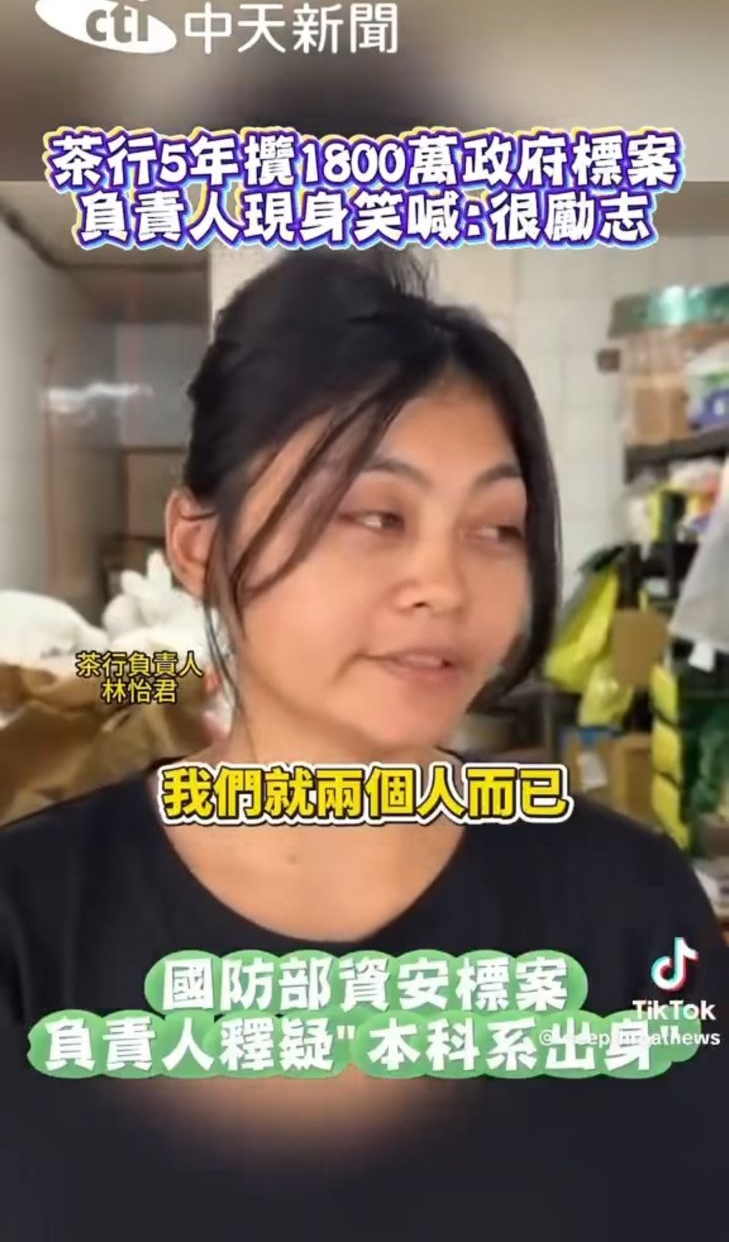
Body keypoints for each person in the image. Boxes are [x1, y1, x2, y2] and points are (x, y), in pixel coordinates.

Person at [0, 248, 726, 1239]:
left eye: (497, 528)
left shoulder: (628, 908)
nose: (445, 585)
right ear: (198, 544)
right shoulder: (31, 923)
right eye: (375, 515)